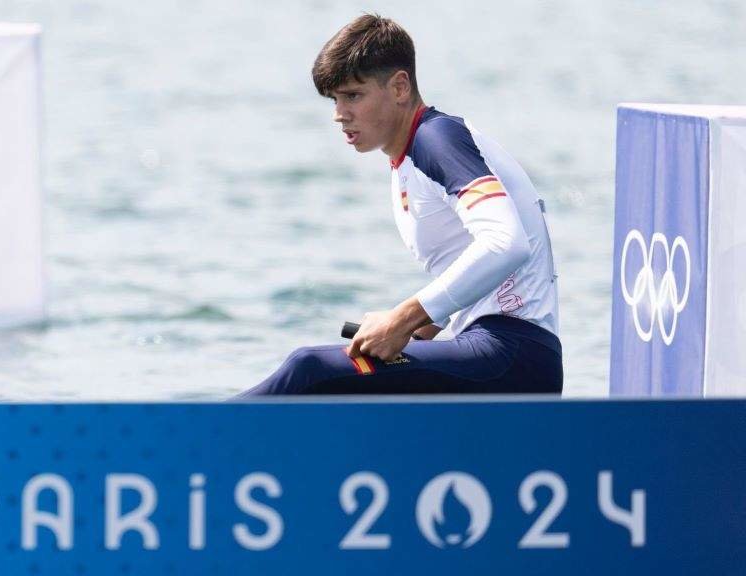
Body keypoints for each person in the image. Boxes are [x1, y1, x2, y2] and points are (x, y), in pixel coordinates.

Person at [239, 14, 561, 396]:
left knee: (309, 369)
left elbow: (506, 243)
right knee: (338, 369)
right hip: (487, 348)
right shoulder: (408, 160)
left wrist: (401, 320)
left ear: (399, 86)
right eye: (335, 98)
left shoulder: (437, 140)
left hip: (514, 355)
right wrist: (417, 330)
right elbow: (472, 274)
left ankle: (188, 440)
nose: (339, 114)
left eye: (353, 95)